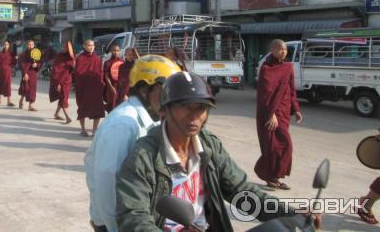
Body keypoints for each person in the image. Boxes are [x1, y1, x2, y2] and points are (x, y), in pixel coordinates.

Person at [116, 71, 319, 231]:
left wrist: (291, 213)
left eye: (201, 108)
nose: (194, 115)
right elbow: (133, 217)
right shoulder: (144, 157)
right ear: (164, 110)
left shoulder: (209, 147)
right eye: (185, 106)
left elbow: (242, 191)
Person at [84, 55, 181, 232]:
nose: (172, 98)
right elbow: (109, 187)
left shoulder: (154, 118)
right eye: (166, 90)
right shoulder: (123, 125)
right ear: (144, 90)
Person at [254, 39, 303, 190]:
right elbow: (265, 94)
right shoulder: (266, 68)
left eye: (285, 50)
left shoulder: (288, 67)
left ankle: (274, 177)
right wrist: (271, 114)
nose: (283, 52)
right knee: (273, 146)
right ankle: (270, 176)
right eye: (280, 49)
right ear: (272, 50)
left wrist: (296, 109)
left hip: (283, 111)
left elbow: (291, 90)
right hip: (269, 113)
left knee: (284, 147)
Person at [75, 39, 104, 137]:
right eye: (89, 45)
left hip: (95, 87)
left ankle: (94, 130)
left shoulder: (97, 58)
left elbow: (100, 72)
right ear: (84, 46)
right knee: (82, 108)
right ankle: (83, 129)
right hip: (84, 88)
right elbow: (78, 72)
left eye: (93, 45)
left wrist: (101, 82)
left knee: (97, 109)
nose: (91, 47)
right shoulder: (80, 58)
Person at [49, 49, 75, 124]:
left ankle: (56, 113)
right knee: (63, 98)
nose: (64, 49)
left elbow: (73, 70)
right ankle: (67, 117)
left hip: (67, 81)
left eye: (66, 48)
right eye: (63, 47)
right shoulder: (59, 57)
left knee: (63, 97)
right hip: (59, 81)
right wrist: (57, 83)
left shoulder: (71, 57)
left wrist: (73, 65)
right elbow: (56, 70)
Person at [18, 40, 42, 111]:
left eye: (31, 44)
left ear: (34, 45)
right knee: (25, 88)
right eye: (29, 44)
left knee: (32, 89)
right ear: (27, 45)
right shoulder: (23, 54)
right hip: (26, 72)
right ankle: (21, 100)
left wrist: (36, 64)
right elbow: (22, 65)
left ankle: (30, 105)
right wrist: (25, 73)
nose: (30, 46)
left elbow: (40, 62)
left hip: (33, 73)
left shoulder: (36, 53)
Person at [103, 45, 124, 112]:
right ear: (111, 51)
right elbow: (106, 76)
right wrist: (111, 87)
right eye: (114, 50)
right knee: (111, 105)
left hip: (120, 86)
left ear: (119, 51)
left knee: (120, 105)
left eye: (117, 50)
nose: (116, 52)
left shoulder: (122, 62)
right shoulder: (107, 62)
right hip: (111, 86)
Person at [0, 40, 16, 106]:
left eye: (7, 44)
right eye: (4, 44)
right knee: (0, 84)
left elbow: (13, 63)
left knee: (8, 85)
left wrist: (16, 59)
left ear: (9, 45)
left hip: (8, 71)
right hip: (1, 71)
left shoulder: (11, 54)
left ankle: (8, 101)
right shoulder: (0, 54)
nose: (6, 45)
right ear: (3, 45)